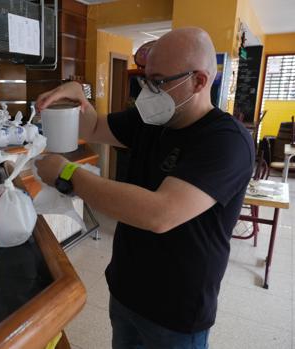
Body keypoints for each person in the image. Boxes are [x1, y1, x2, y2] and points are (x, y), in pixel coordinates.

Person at [34, 27, 254, 349]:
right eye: (145, 79)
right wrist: (79, 96)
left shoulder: (226, 141)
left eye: (159, 81)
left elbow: (160, 213)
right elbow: (94, 127)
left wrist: (68, 173)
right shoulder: (151, 120)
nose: (147, 92)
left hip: (176, 313)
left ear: (199, 81)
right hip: (126, 292)